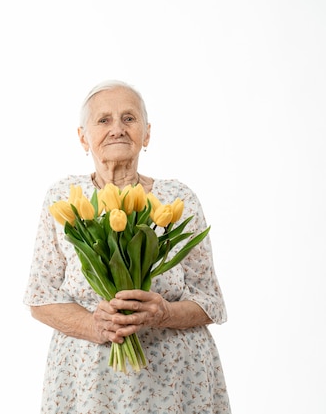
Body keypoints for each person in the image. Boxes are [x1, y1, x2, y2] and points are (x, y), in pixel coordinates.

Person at [23, 80, 231, 413]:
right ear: (83, 137)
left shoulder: (177, 198)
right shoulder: (65, 198)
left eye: (129, 119)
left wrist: (163, 313)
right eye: (103, 120)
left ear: (146, 134)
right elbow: (40, 297)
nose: (117, 128)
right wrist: (94, 325)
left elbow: (211, 301)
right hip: (88, 383)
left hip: (174, 379)